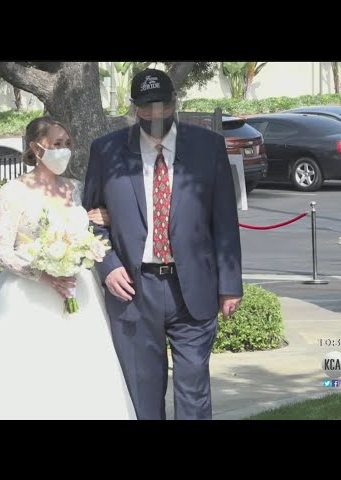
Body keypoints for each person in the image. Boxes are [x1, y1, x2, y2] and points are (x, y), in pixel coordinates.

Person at [0, 116, 136, 420]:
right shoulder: (13, 191)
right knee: (25, 380)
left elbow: (87, 229)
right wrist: (42, 273)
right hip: (27, 295)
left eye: (67, 143)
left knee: (81, 378)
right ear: (36, 148)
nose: (64, 150)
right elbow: (0, 250)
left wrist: (98, 221)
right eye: (57, 144)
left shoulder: (76, 188)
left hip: (77, 291)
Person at [83, 68, 243, 420]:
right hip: (133, 290)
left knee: (194, 392)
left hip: (193, 289)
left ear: (174, 102)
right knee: (143, 392)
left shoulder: (207, 147)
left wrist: (230, 285)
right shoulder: (106, 151)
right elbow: (89, 219)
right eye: (146, 107)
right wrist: (108, 266)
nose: (155, 114)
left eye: (162, 105)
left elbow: (225, 222)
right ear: (133, 107)